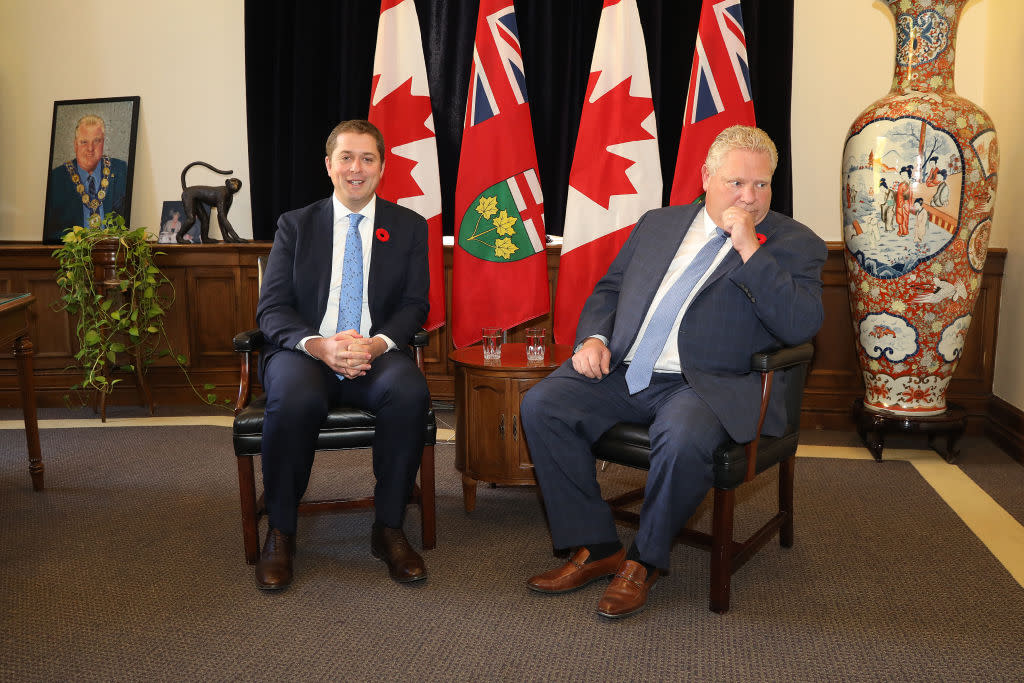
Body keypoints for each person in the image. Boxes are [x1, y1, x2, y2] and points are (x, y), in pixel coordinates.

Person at [520, 125, 826, 619]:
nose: (749, 197)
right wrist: (594, 337)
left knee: (681, 438)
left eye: (762, 185)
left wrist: (751, 249)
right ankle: (598, 547)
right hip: (628, 368)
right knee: (542, 405)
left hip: (707, 383)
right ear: (706, 176)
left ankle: (643, 561)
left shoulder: (795, 243)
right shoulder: (659, 223)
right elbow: (610, 290)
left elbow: (800, 324)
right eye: (736, 184)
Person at [253, 119, 431, 590]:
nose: (357, 168)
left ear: (382, 167)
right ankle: (282, 531)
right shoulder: (295, 225)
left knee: (409, 391)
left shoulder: (409, 227)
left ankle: (388, 528)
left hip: (375, 351)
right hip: (307, 352)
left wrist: (376, 343)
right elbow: (271, 309)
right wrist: (319, 345)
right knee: (293, 399)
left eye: (368, 158)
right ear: (328, 166)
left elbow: (415, 305)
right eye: (347, 158)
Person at [43, 114, 129, 242]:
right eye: (84, 142)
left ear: (103, 143)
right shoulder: (57, 178)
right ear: (75, 145)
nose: (90, 148)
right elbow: (50, 233)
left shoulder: (121, 170)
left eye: (96, 141)